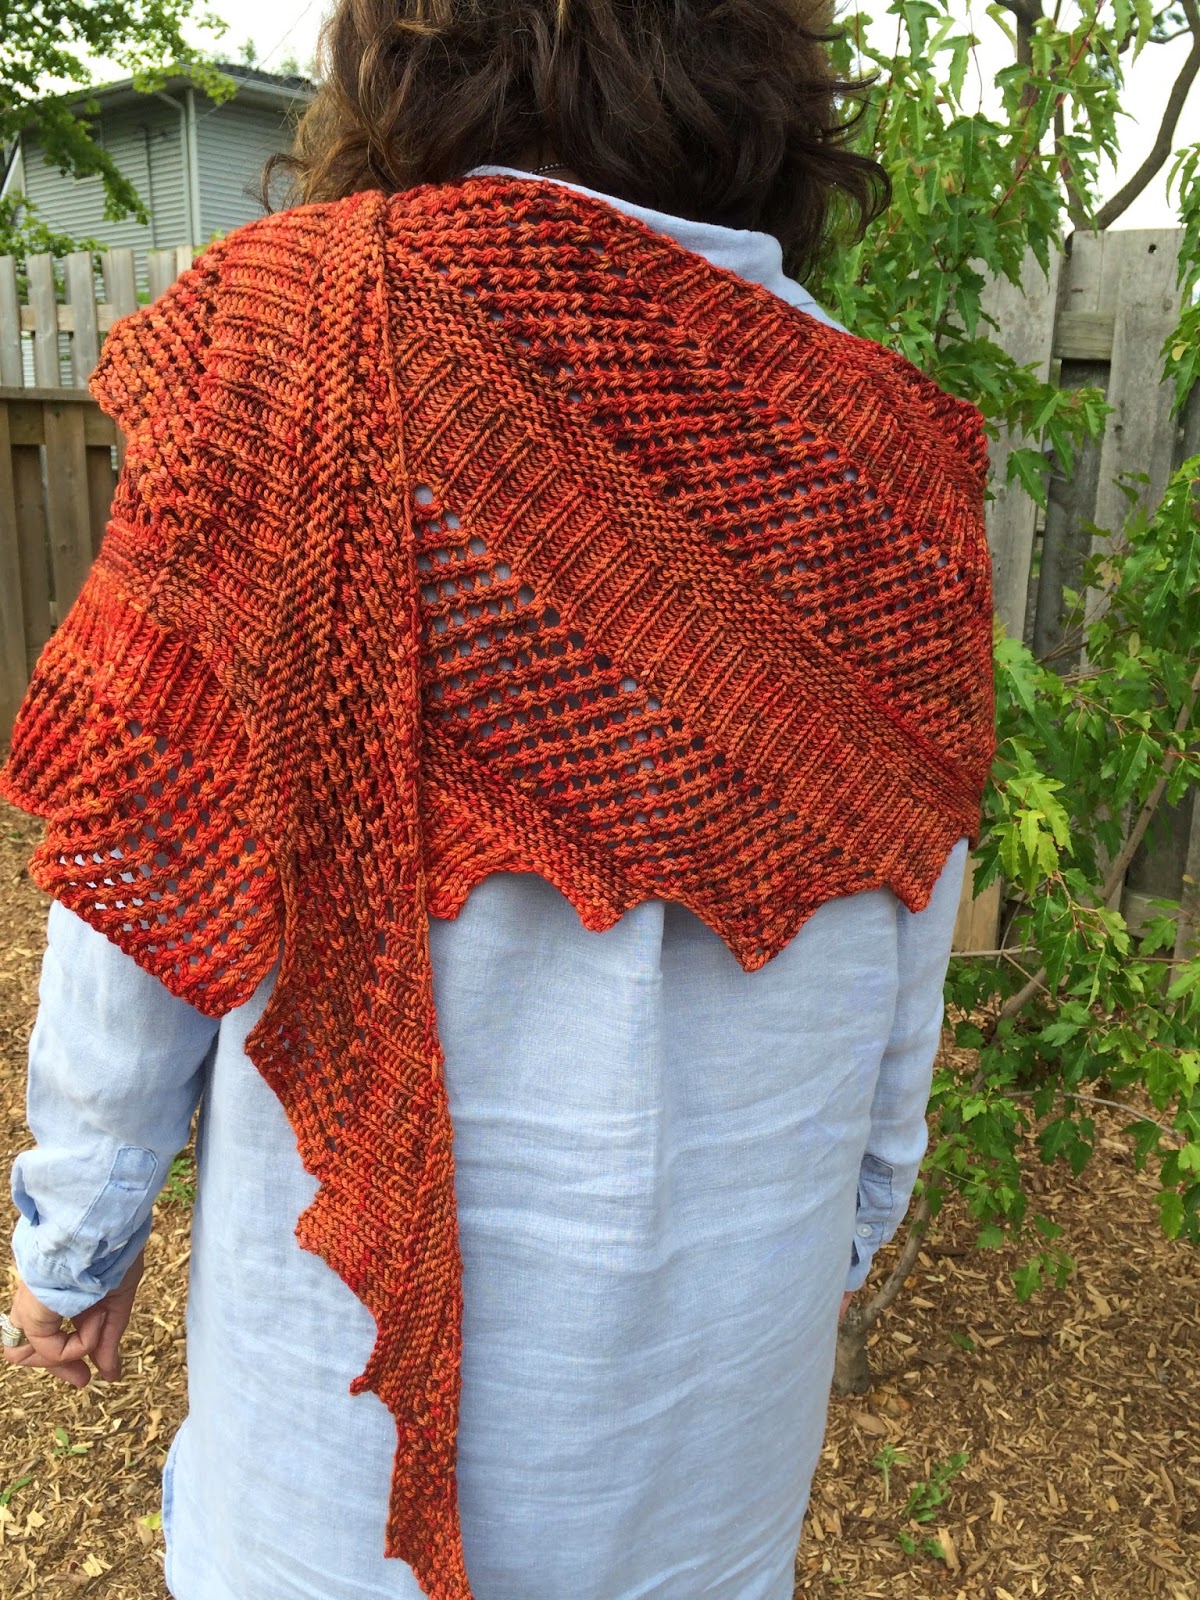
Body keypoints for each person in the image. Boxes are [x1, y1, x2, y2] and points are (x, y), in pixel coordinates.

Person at [0, 1, 995, 1597]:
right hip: (714, 1422)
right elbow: (910, 938)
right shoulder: (885, 452)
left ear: (413, 49)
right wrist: (858, 1220)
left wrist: (77, 1234)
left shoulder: (300, 337)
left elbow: (149, 859)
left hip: (324, 1464)